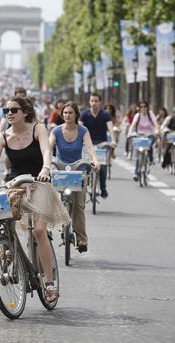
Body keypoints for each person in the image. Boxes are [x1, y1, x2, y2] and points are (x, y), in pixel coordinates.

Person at [0, 96, 70, 303]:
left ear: (25, 112)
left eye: (13, 110)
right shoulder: (2, 136)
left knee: (39, 231)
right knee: (5, 225)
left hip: (39, 182)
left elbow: (47, 152)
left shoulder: (38, 129)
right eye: (6, 110)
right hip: (15, 185)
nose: (9, 114)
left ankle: (49, 282)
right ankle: (12, 254)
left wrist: (46, 168)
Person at [49, 101, 100, 253]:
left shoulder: (83, 130)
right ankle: (48, 230)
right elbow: (49, 147)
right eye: (65, 113)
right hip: (59, 171)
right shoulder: (56, 131)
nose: (67, 115)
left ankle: (82, 239)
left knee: (79, 206)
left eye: (70, 112)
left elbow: (89, 147)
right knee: (51, 200)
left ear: (76, 114)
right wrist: (45, 162)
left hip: (78, 171)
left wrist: (95, 160)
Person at [80, 93, 116, 198]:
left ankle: (103, 188)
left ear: (100, 102)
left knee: (103, 167)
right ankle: (84, 185)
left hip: (102, 143)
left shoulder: (105, 114)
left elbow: (110, 127)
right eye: (92, 101)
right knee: (85, 166)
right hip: (87, 143)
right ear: (89, 102)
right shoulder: (84, 114)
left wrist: (113, 140)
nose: (94, 103)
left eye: (96, 101)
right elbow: (79, 127)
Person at [128, 101, 159, 181]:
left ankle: (151, 159)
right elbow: (133, 125)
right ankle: (136, 173)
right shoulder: (137, 116)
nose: (143, 108)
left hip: (150, 135)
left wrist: (156, 131)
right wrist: (129, 133)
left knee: (149, 145)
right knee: (138, 156)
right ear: (139, 108)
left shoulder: (150, 114)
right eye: (141, 107)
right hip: (140, 135)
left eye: (145, 106)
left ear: (147, 107)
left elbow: (155, 124)